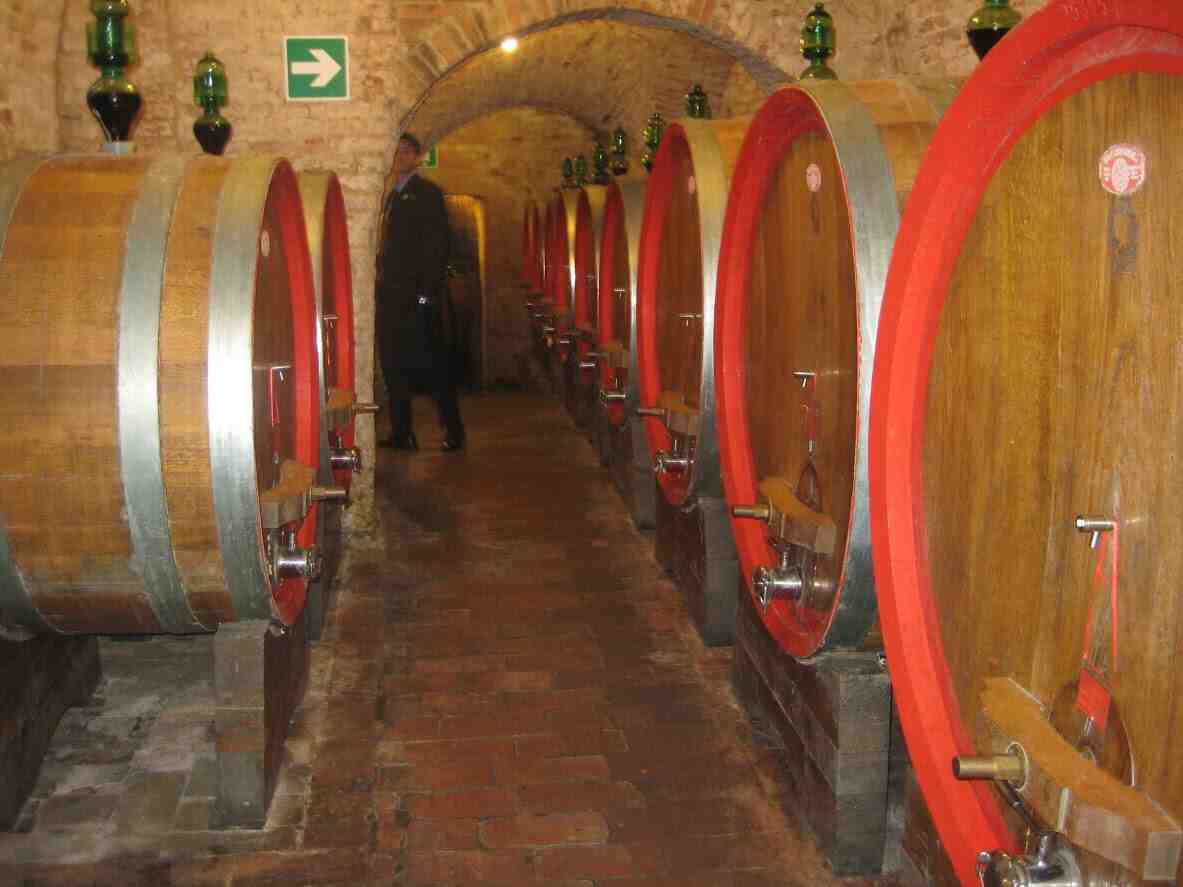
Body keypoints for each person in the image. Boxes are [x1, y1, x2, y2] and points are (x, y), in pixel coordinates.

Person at [375, 132, 465, 452]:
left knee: (433, 363)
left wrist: (426, 294)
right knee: (393, 363)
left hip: (416, 296)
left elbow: (437, 246)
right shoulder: (392, 197)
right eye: (396, 152)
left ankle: (454, 430)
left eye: (406, 152)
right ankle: (402, 432)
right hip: (392, 295)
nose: (400, 157)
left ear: (417, 157)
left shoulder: (427, 193)